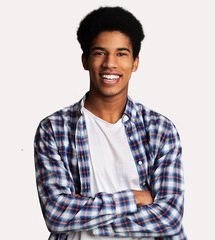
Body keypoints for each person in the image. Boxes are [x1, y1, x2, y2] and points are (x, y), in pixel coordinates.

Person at [34, 6, 187, 240]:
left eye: (121, 54)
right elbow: (58, 214)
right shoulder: (54, 130)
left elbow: (169, 218)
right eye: (100, 53)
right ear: (85, 60)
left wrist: (84, 223)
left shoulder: (160, 130)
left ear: (135, 62)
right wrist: (134, 198)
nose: (110, 64)